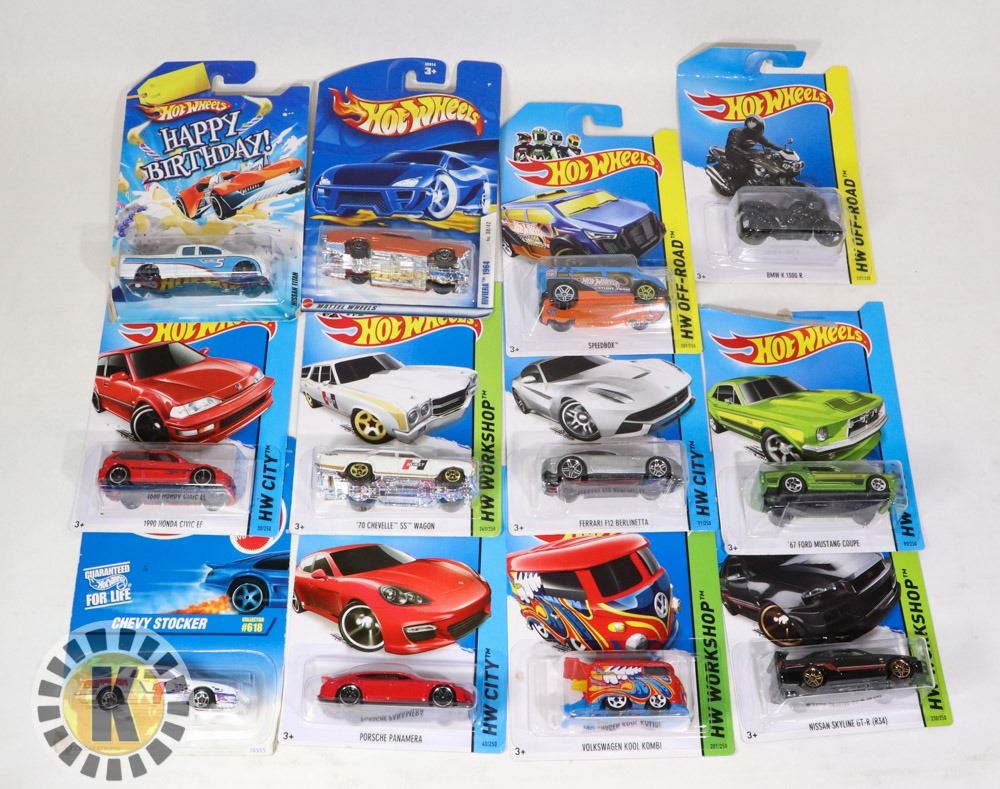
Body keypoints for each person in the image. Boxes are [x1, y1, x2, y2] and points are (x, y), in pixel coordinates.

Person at [725, 114, 781, 186]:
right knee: (744, 168)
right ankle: (735, 185)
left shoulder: (757, 135)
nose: (751, 124)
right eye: (750, 123)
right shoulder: (736, 131)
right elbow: (732, 146)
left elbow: (769, 143)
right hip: (732, 152)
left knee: (760, 163)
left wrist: (783, 149)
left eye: (753, 123)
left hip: (745, 153)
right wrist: (747, 154)